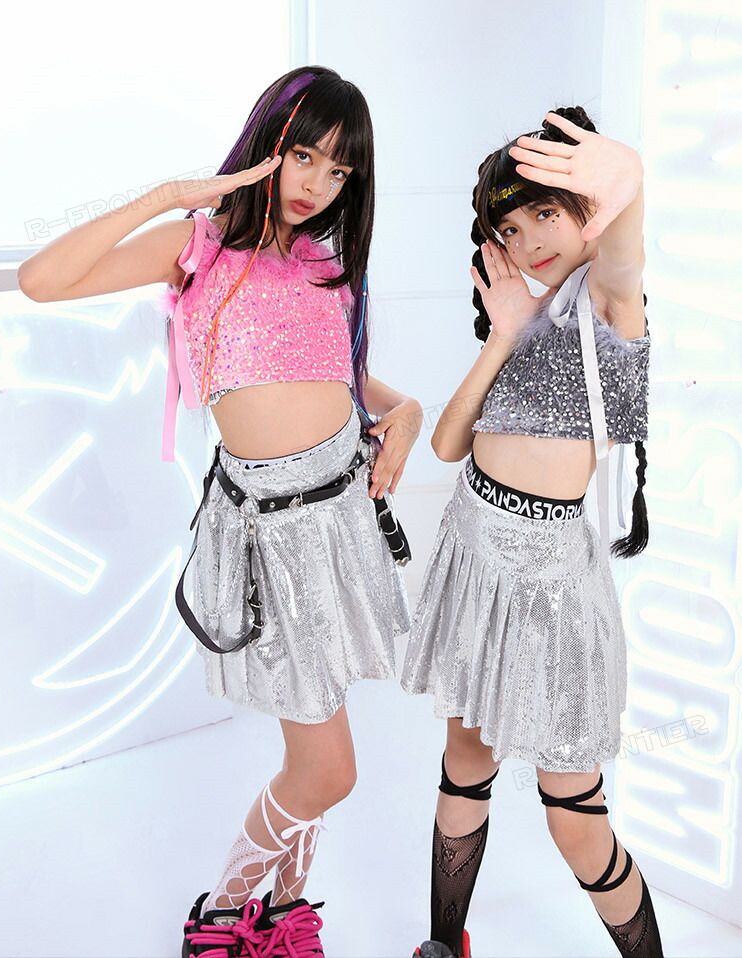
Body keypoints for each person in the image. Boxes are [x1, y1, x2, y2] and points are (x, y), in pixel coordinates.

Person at [18, 65, 419, 957]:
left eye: (340, 170)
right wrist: (171, 196)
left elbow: (346, 379)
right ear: (267, 145)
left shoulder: (327, 268)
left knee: (315, 754)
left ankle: (283, 916)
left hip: (340, 523)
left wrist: (410, 412)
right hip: (267, 535)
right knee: (329, 770)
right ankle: (220, 913)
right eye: (304, 155)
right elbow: (43, 280)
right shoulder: (198, 247)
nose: (318, 183)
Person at [401, 106, 663, 958]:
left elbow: (623, 255)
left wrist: (625, 180)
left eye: (545, 212)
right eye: (510, 229)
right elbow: (447, 445)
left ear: (585, 209)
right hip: (475, 557)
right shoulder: (526, 317)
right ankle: (444, 946)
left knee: (574, 815)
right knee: (464, 764)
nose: (529, 241)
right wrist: (503, 336)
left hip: (552, 582)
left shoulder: (609, 307)